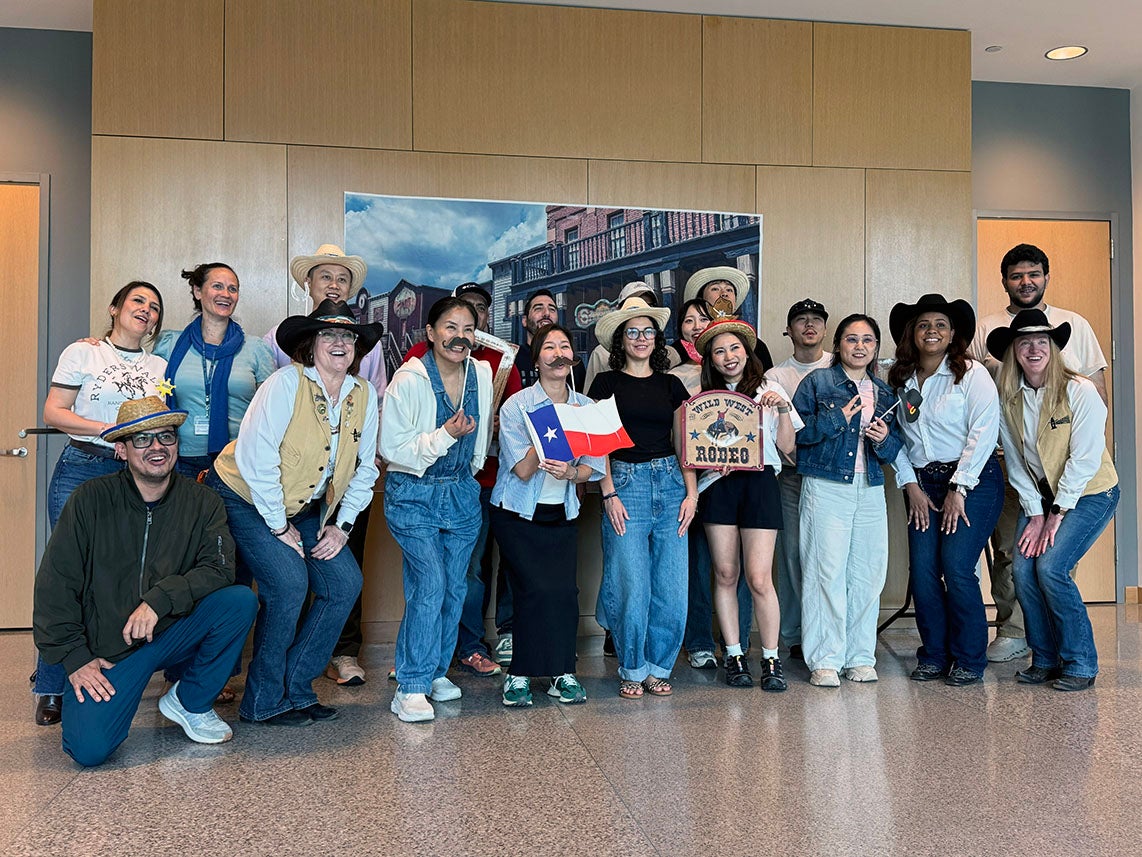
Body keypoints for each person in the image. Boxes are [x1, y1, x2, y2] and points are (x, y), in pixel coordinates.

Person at [32, 397, 257, 766]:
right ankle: (118, 696)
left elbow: (219, 569)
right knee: (88, 751)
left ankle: (190, 701)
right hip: (108, 654)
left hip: (172, 633)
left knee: (238, 601)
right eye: (142, 439)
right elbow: (55, 587)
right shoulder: (89, 500)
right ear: (121, 450)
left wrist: (159, 600)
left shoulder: (203, 502)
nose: (157, 447)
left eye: (166, 437)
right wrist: (76, 659)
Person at [208, 300, 381, 726]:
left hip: (302, 507)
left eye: (347, 337)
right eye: (329, 335)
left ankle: (298, 689)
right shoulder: (287, 383)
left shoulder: (364, 394)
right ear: (311, 344)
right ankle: (263, 700)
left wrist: (341, 526)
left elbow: (366, 466)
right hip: (245, 496)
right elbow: (256, 457)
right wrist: (278, 525)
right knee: (287, 585)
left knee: (344, 582)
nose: (340, 343)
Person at [31, 281, 169, 727]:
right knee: (67, 576)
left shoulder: (159, 363)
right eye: (137, 302)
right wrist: (109, 430)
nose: (145, 311)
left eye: (153, 307)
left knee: (117, 577)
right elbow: (54, 412)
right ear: (114, 308)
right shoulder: (84, 352)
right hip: (83, 465)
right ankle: (51, 684)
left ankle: (103, 672)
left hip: (133, 478)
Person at [970, 243, 1108, 665]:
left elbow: (1096, 392)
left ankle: (1071, 653)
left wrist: (1059, 503)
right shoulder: (987, 328)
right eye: (1016, 275)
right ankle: (1017, 634)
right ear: (1004, 281)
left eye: (1033, 274)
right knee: (1015, 555)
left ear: (1046, 276)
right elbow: (975, 389)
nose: (1025, 282)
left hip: (1071, 471)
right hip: (1014, 468)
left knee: (1052, 563)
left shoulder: (1076, 327)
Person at [266, 244, 386, 687]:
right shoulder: (274, 343)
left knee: (343, 561)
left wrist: (366, 455)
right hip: (290, 480)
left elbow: (375, 393)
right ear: (308, 284)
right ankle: (288, 659)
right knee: (288, 569)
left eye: (341, 279)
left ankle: (342, 652)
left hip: (346, 475)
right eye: (325, 278)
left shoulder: (362, 344)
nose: (333, 285)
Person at [986, 310, 1119, 691]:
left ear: (1054, 348)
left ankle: (1080, 661)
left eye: (1041, 341)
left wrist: (1056, 514)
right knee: (1024, 569)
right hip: (1041, 499)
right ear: (1013, 351)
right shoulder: (1008, 398)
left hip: (1091, 492)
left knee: (1051, 568)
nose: (1033, 348)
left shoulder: (1079, 391)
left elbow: (1085, 459)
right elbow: (1015, 460)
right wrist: (1034, 512)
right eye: (1024, 342)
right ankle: (1045, 659)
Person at [402, 282, 523, 677]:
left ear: (484, 321)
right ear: (435, 329)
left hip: (482, 482)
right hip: (424, 484)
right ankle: (421, 666)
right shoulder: (418, 363)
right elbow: (400, 439)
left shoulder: (496, 366)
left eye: (475, 316)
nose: (462, 331)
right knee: (439, 580)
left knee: (461, 579)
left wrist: (495, 430)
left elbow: (511, 422)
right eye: (455, 319)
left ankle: (454, 652)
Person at [382, 297, 493, 722]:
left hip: (461, 494)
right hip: (414, 493)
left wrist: (472, 464)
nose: (459, 336)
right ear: (430, 333)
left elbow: (480, 435)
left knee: (453, 589)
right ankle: (410, 685)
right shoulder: (409, 380)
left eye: (467, 328)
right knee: (428, 584)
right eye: (449, 327)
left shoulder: (480, 373)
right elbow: (393, 449)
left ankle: (433, 672)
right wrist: (444, 436)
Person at [888, 294, 1004, 686]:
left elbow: (984, 431)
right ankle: (934, 654)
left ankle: (970, 657)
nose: (932, 331)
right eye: (923, 325)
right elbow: (895, 441)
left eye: (940, 324)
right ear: (912, 334)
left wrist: (959, 486)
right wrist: (911, 486)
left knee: (956, 567)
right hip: (922, 485)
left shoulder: (971, 373)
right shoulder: (900, 380)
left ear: (953, 333)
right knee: (922, 572)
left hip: (973, 481)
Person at [588, 295, 698, 699]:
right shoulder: (606, 383)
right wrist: (608, 493)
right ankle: (631, 666)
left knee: (670, 585)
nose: (640, 338)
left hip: (671, 484)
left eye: (647, 331)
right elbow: (597, 442)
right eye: (632, 331)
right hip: (625, 485)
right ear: (621, 339)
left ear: (657, 338)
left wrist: (691, 495)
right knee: (631, 581)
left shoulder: (672, 385)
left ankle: (658, 667)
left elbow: (682, 441)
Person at [491, 323, 605, 706]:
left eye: (565, 347)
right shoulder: (517, 405)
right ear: (537, 359)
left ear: (573, 357)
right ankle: (519, 675)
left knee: (563, 593)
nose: (558, 354)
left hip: (563, 512)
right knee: (532, 591)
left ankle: (563, 674)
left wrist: (572, 471)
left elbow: (593, 467)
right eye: (549, 348)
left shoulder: (586, 408)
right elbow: (521, 470)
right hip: (518, 514)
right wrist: (550, 432)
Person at [793, 314, 903, 687]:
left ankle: (859, 657)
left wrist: (884, 438)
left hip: (870, 487)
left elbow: (893, 450)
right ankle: (825, 659)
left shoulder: (885, 392)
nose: (859, 346)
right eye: (852, 339)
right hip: (826, 486)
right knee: (826, 571)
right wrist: (838, 419)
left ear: (875, 348)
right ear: (838, 344)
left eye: (868, 340)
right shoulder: (818, 383)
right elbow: (796, 435)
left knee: (868, 574)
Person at [695, 319, 800, 691]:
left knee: (759, 577)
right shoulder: (702, 398)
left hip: (760, 483)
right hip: (718, 486)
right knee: (725, 574)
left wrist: (783, 409)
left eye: (734, 348)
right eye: (720, 351)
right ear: (711, 359)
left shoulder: (770, 390)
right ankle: (735, 654)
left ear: (746, 352)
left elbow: (787, 448)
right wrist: (712, 461)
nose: (728, 357)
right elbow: (693, 451)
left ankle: (771, 659)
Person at [668, 298, 751, 668]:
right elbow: (679, 437)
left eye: (704, 318)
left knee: (742, 568)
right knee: (701, 566)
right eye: (689, 320)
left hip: (741, 483)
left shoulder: (741, 376)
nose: (696, 325)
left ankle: (740, 642)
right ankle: (700, 640)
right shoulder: (675, 376)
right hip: (697, 484)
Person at [154, 262, 274, 479]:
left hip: (238, 460)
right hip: (180, 459)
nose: (226, 294)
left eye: (233, 289)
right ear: (198, 291)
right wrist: (100, 345)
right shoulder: (169, 344)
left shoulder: (256, 349)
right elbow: (138, 374)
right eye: (217, 286)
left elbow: (271, 411)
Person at [764, 298, 832, 661]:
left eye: (816, 320)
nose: (809, 325)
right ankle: (795, 634)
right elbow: (777, 434)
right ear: (788, 330)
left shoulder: (840, 366)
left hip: (834, 478)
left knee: (829, 556)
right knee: (792, 555)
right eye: (801, 320)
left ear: (825, 328)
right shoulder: (775, 377)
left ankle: (830, 631)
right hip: (791, 476)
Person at [583, 281, 679, 391]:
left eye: (650, 305)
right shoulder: (600, 355)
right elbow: (591, 404)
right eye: (633, 304)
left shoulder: (670, 357)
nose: (641, 338)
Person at [682, 266, 773, 370]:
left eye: (729, 290)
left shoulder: (756, 345)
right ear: (701, 299)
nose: (724, 294)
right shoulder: (684, 347)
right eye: (715, 289)